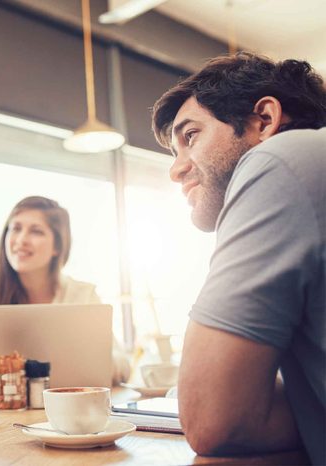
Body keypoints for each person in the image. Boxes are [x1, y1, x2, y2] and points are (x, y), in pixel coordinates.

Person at [151, 52, 326, 463]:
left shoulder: (284, 157)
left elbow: (214, 418)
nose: (175, 170)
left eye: (190, 136)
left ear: (264, 120)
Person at [0, 196, 130, 383]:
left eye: (36, 231)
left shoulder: (82, 295)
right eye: (16, 228)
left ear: (57, 247)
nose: (21, 240)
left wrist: (88, 364)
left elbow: (123, 365)